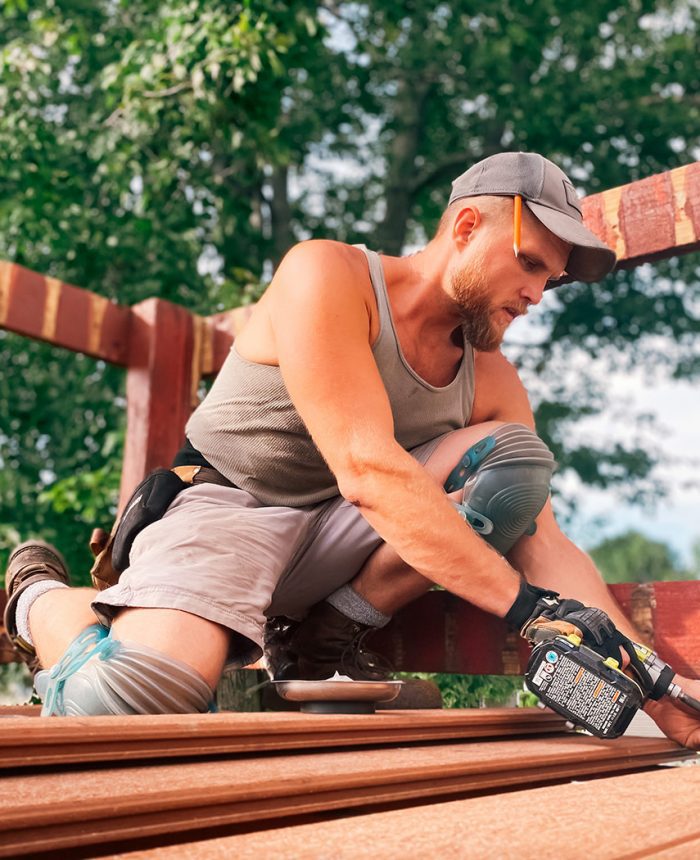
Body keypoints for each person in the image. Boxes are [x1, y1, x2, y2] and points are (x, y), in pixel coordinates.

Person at [4, 152, 700, 744]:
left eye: (551, 278)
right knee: (132, 704)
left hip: (339, 544)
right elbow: (366, 467)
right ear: (463, 228)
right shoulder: (326, 274)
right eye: (528, 263)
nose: (536, 294)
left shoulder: (492, 377)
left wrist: (661, 693)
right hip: (230, 508)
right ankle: (35, 594)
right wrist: (528, 612)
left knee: (514, 462)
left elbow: (544, 543)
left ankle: (317, 640)